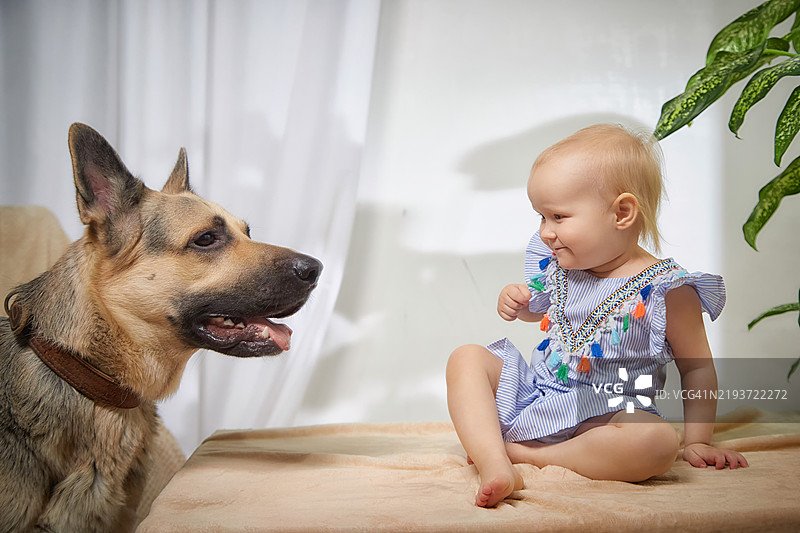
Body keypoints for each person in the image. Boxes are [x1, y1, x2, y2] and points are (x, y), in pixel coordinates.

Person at [446, 124, 748, 508]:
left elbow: (698, 369)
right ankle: (494, 463)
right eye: (541, 216)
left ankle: (526, 456)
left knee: (657, 443)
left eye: (558, 216)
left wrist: (698, 439)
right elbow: (544, 312)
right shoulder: (560, 266)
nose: (546, 232)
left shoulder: (667, 291)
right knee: (467, 357)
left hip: (607, 417)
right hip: (538, 398)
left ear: (622, 213)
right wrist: (518, 303)